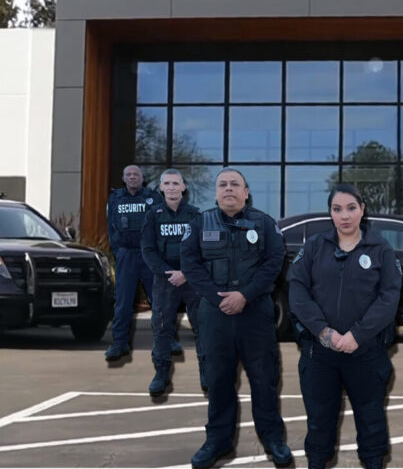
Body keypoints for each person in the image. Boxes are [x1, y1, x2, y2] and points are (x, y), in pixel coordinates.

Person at [180, 168, 292, 469]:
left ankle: (273, 439)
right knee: (218, 379)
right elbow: (190, 263)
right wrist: (218, 298)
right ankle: (217, 441)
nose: (228, 188)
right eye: (223, 184)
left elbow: (274, 262)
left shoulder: (264, 224)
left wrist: (245, 295)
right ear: (216, 193)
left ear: (246, 192)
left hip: (255, 313)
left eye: (235, 184)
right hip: (215, 315)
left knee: (264, 379)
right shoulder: (199, 224)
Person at [288, 184, 402, 469]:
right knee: (319, 423)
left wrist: (357, 335)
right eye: (337, 209)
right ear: (331, 213)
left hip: (366, 353)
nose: (345, 215)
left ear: (362, 210)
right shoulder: (315, 246)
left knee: (372, 423)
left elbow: (389, 298)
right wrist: (323, 331)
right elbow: (298, 291)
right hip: (320, 354)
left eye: (351, 208)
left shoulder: (381, 249)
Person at [140, 168, 205, 396]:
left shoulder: (195, 215)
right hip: (165, 279)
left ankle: (207, 373)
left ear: (183, 187)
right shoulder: (153, 215)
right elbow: (148, 250)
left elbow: (203, 249)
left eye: (176, 183)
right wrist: (169, 272)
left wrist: (185, 273)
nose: (171, 187)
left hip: (192, 280)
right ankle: (161, 374)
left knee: (202, 327)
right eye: (167, 183)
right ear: (161, 188)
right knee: (161, 328)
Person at [105, 165, 166, 361]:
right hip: (126, 255)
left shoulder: (153, 197)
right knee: (123, 302)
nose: (132, 177)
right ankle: (119, 343)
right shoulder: (115, 199)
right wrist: (119, 253)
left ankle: (167, 340)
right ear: (123, 178)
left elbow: (160, 226)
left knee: (159, 300)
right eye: (129, 175)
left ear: (142, 178)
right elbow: (111, 229)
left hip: (148, 255)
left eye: (136, 174)